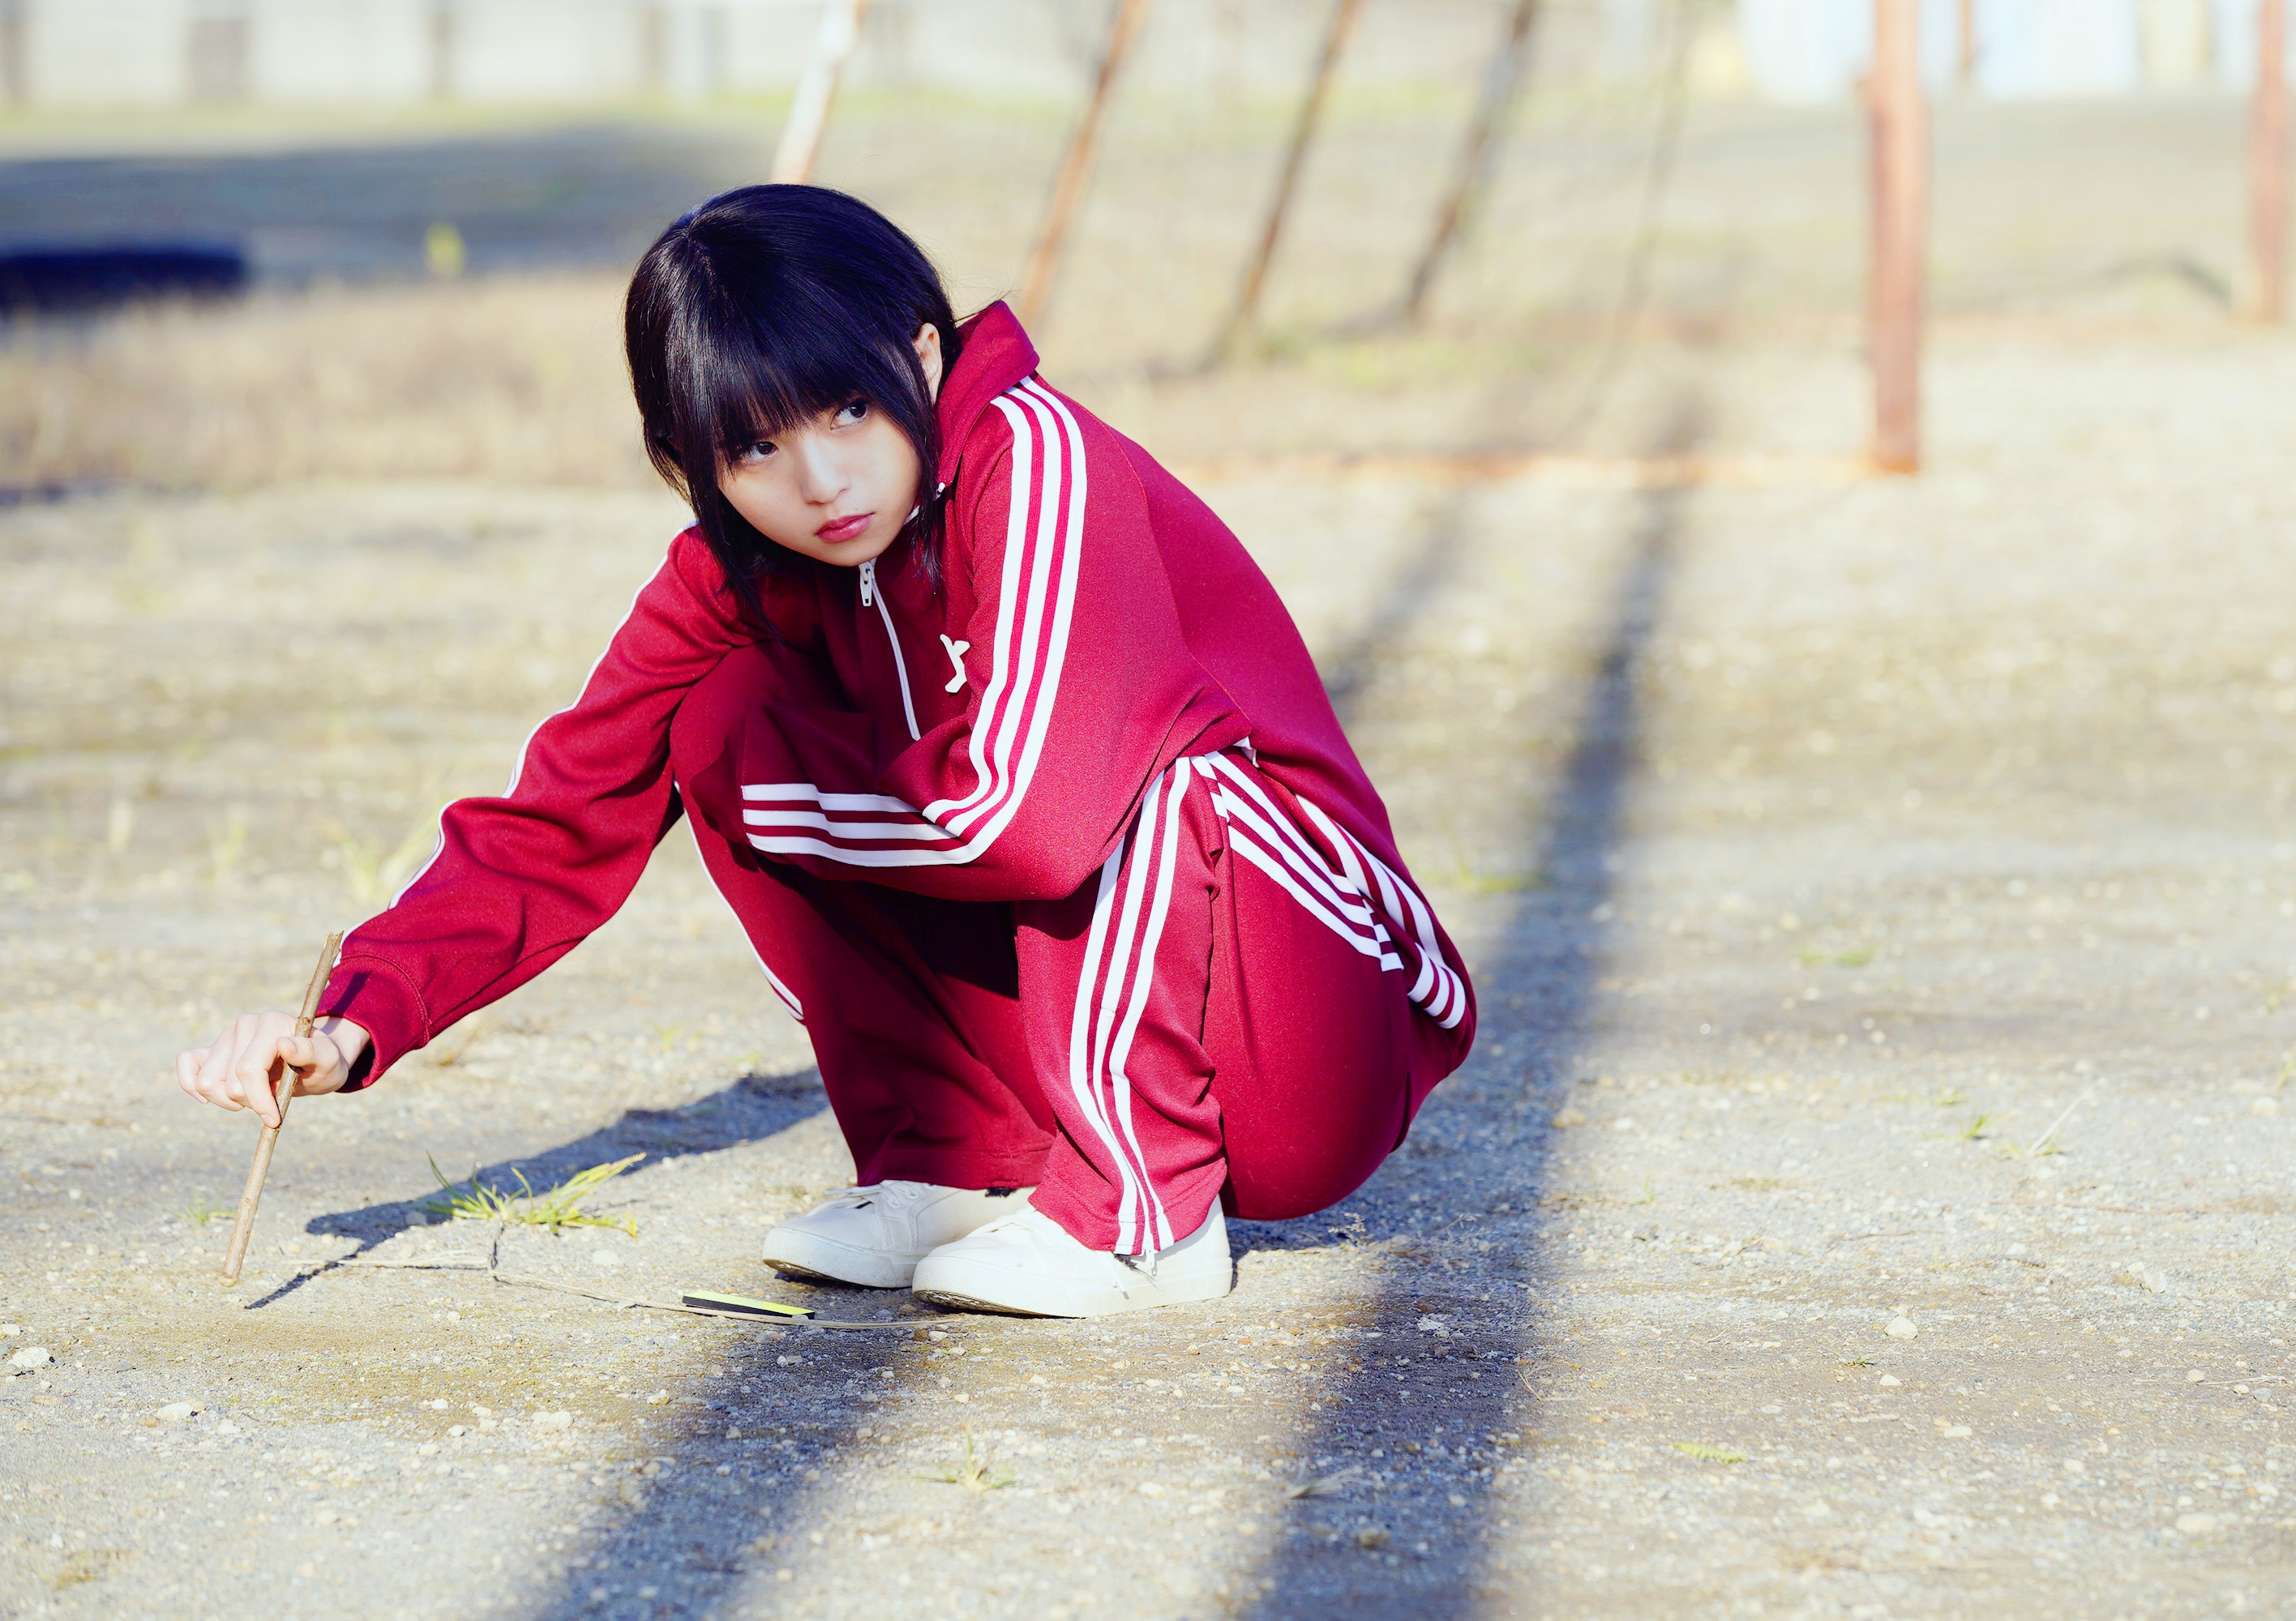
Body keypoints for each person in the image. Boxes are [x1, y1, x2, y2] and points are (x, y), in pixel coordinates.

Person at [173, 186, 1474, 1319]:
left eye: (851, 408)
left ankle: (1143, 1220)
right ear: (691, 464)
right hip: (1126, 1013)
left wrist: (767, 800)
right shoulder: (734, 571)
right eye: (756, 445)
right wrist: (355, 1016)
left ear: (921, 352)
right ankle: (959, 1161)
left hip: (1316, 1011)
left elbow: (1030, 824)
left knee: (1122, 766)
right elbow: (565, 813)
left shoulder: (1038, 463)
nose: (822, 481)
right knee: (711, 715)